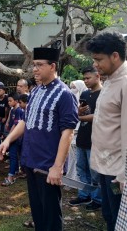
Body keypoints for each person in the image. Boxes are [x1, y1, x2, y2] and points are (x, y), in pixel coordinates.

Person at [0, 47, 78, 230]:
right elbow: (25, 122)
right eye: (34, 65)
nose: (35, 69)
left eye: (39, 65)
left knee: (51, 218)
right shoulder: (35, 92)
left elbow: (68, 132)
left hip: (48, 166)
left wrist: (57, 167)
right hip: (30, 161)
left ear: (53, 66)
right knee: (38, 215)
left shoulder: (64, 94)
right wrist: (7, 140)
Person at [82, 32, 127, 231]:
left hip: (117, 171)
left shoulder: (125, 83)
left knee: (119, 219)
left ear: (115, 56)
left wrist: (124, 175)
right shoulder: (109, 81)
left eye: (99, 60)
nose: (96, 65)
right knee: (109, 216)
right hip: (104, 165)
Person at [68, 67, 102, 211]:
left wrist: (78, 117)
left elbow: (98, 116)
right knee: (81, 169)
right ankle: (84, 195)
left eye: (88, 78)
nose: (85, 81)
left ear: (97, 76)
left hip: (95, 140)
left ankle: (97, 199)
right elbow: (78, 111)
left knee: (94, 172)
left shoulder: (103, 94)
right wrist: (78, 112)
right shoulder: (85, 93)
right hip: (82, 136)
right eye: (84, 78)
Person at [1, 92, 24, 186]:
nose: (9, 103)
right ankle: (15, 172)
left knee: (13, 156)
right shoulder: (12, 110)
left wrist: (9, 137)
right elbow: (10, 121)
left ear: (16, 101)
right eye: (8, 101)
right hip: (11, 136)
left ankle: (11, 177)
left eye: (11, 101)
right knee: (13, 155)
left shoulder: (19, 110)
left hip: (15, 137)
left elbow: (16, 125)